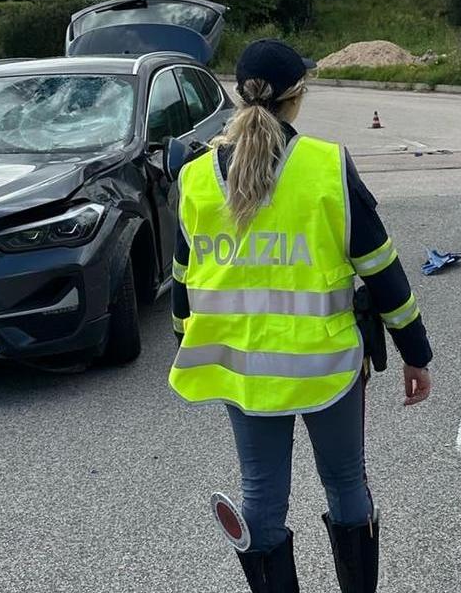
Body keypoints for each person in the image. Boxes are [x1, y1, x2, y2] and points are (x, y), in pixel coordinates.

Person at [168, 39, 434, 593]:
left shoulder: (194, 177)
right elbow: (381, 269)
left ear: (237, 98)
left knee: (261, 498)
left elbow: (182, 281)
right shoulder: (325, 166)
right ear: (298, 98)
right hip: (326, 368)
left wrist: (186, 342)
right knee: (344, 484)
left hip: (244, 374)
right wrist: (416, 353)